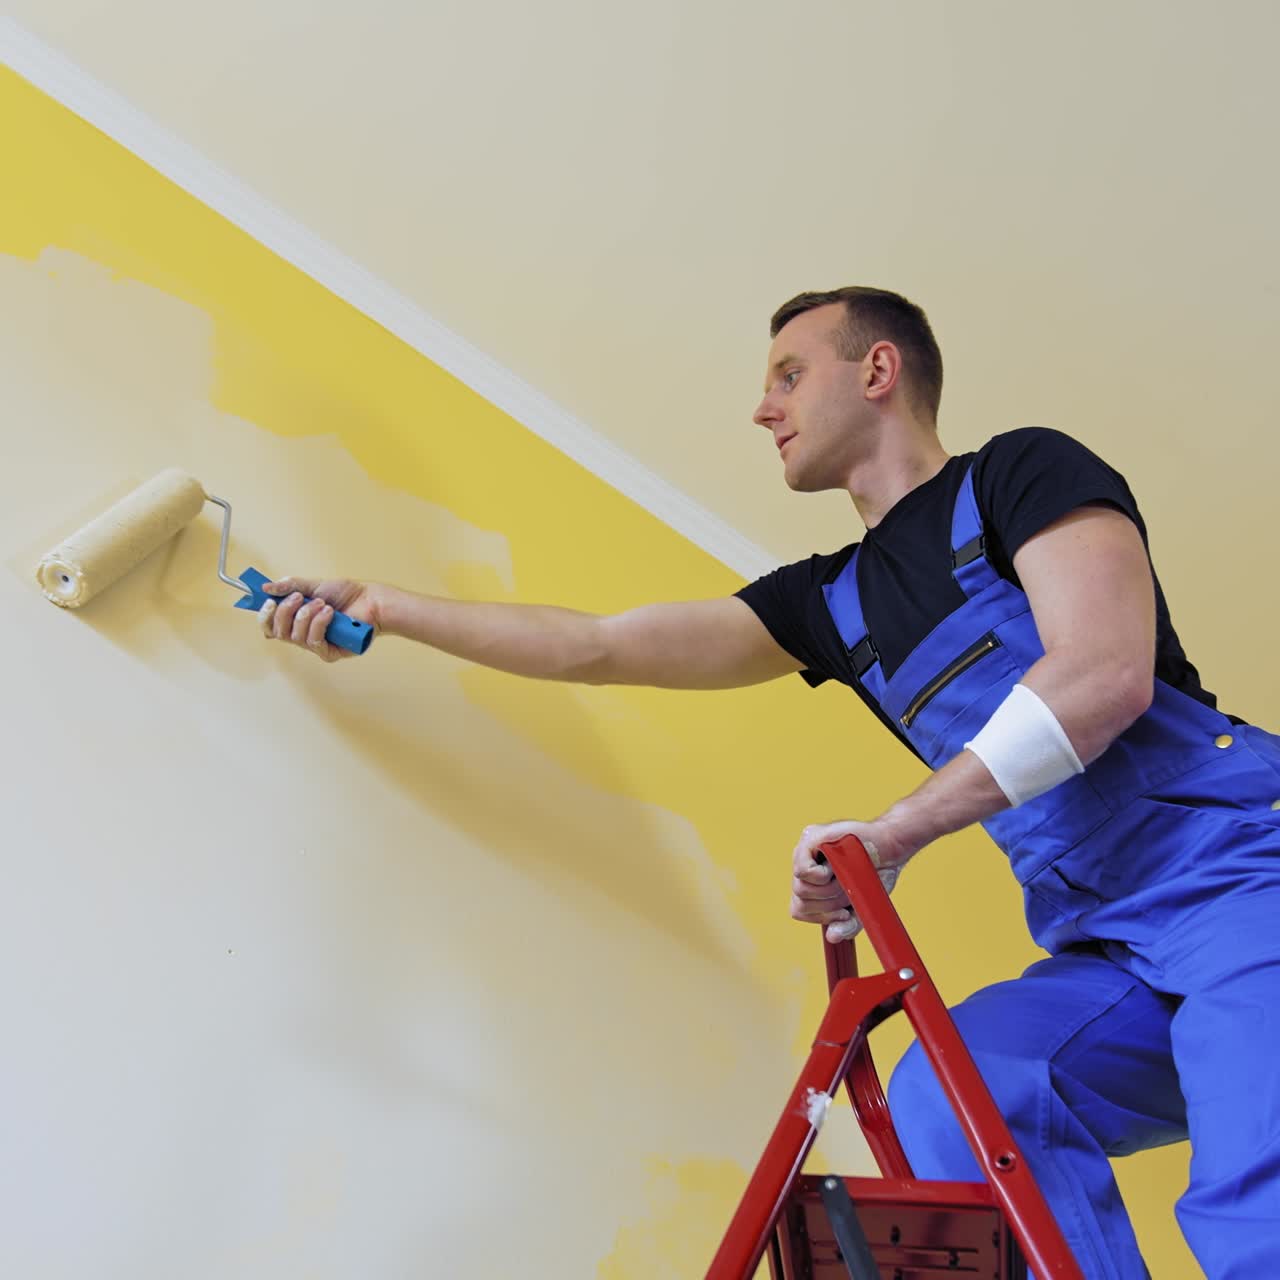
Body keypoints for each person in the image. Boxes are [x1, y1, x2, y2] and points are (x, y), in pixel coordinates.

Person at [257, 287, 1279, 1278]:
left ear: (876, 368)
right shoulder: (828, 601)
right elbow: (598, 646)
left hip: (1241, 876)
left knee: (1252, 1192)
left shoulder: (1019, 473)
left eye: (788, 373)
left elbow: (1100, 673)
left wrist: (896, 829)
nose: (761, 406)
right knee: (961, 1096)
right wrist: (385, 602)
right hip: (1108, 938)